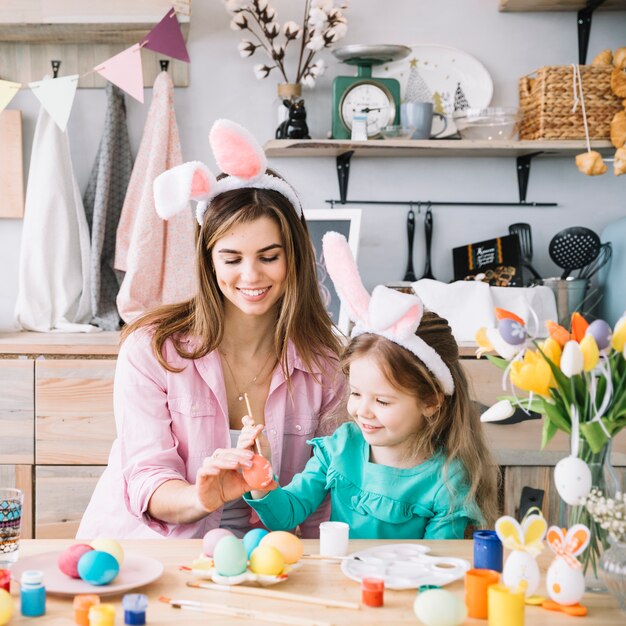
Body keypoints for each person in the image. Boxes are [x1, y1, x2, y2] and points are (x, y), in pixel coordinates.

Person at [77, 120, 344, 539]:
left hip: (267, 558)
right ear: (208, 260)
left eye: (269, 256)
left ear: (294, 257)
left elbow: (325, 498)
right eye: (232, 258)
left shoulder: (328, 365)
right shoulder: (153, 349)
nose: (251, 275)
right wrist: (202, 498)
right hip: (152, 552)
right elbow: (147, 478)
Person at [238, 232, 499, 539]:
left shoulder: (447, 482)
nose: (362, 411)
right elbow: (287, 515)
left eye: (383, 401)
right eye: (357, 393)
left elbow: (437, 566)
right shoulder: (341, 447)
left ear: (430, 401)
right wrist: (261, 477)